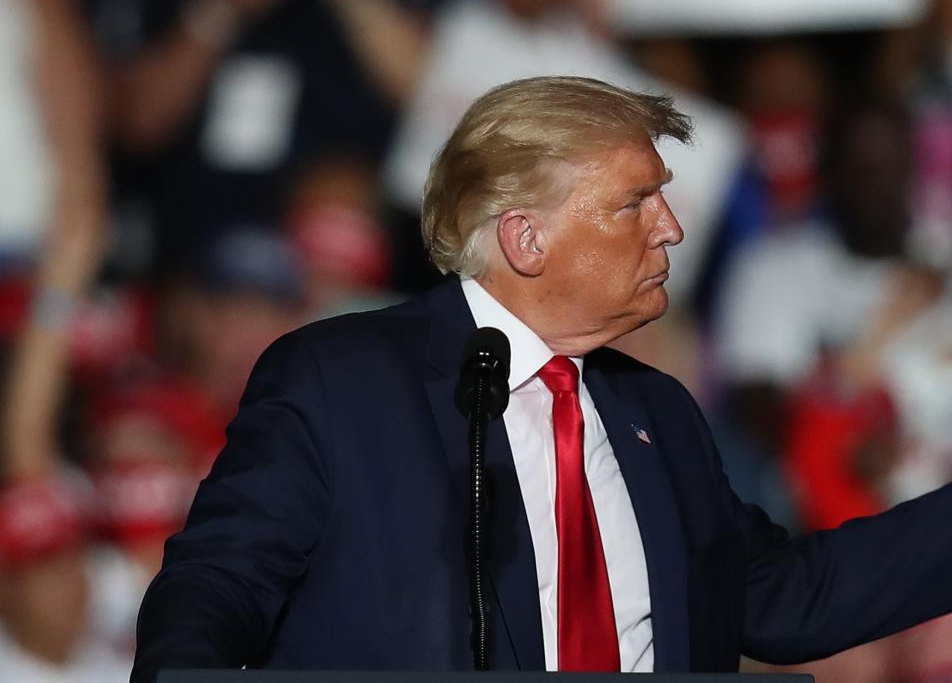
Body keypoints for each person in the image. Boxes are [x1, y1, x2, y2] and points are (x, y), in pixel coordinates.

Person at [131, 76, 952, 681]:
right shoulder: (341, 382)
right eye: (636, 203)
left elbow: (779, 599)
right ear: (526, 240)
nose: (671, 228)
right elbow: (218, 584)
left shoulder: (655, 412)